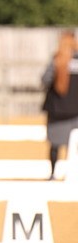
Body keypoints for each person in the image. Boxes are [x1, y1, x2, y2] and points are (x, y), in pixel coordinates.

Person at [41, 30, 78, 180]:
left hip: (57, 110)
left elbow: (45, 80)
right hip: (76, 110)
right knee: (75, 144)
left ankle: (53, 173)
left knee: (55, 143)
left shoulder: (57, 61)